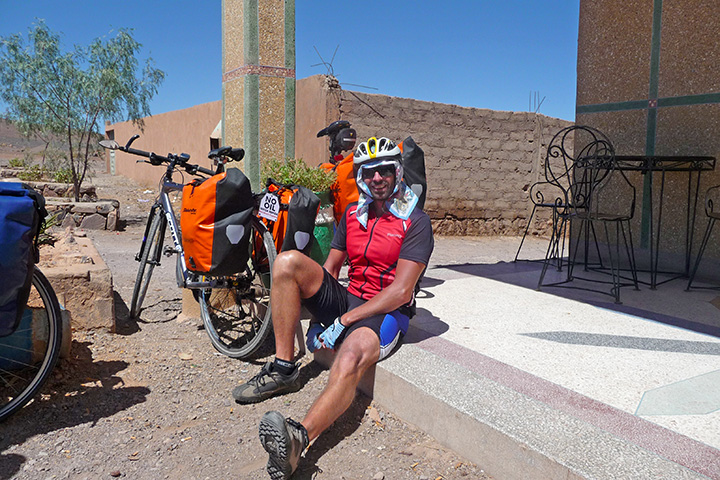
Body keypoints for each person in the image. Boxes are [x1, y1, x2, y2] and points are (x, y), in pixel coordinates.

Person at [232, 136, 434, 480]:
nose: (378, 178)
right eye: (369, 173)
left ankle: (299, 439)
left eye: (385, 170)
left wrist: (343, 320)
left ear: (398, 173)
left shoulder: (416, 222)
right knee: (287, 262)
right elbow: (332, 269)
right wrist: (320, 311)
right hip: (349, 300)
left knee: (351, 356)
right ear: (360, 177)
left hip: (385, 314)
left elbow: (402, 292)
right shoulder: (353, 216)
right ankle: (284, 368)